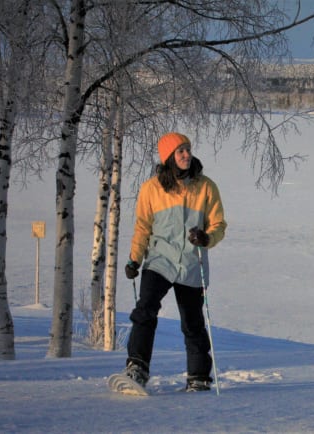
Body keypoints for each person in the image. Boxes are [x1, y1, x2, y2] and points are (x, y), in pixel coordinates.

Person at [123, 132, 227, 391]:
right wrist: (135, 259)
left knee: (192, 323)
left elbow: (218, 225)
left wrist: (206, 238)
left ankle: (199, 378)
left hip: (192, 264)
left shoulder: (205, 186)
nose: (186, 155)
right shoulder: (151, 188)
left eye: (188, 149)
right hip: (160, 260)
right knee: (145, 310)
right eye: (180, 151)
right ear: (168, 156)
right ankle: (137, 367)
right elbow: (143, 227)